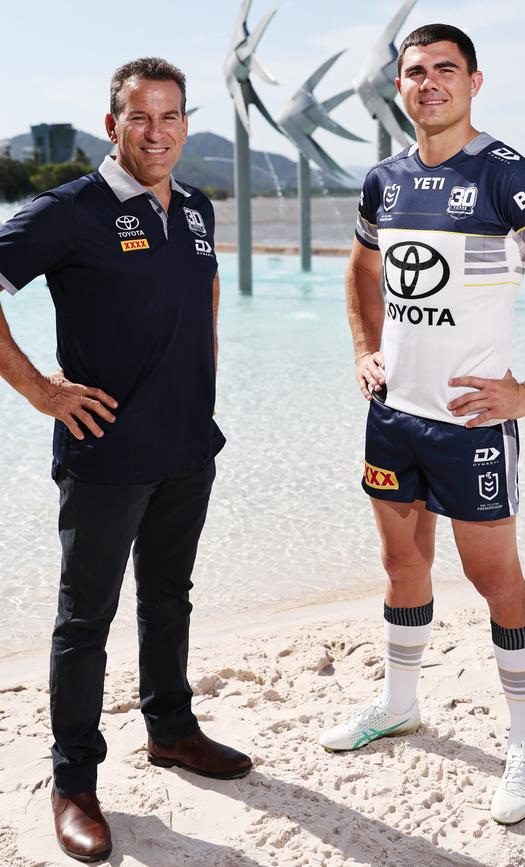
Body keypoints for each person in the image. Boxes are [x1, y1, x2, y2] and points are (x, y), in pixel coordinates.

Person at [319, 24, 525, 826]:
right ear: (400, 87)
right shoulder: (383, 178)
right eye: (414, 72)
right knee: (401, 569)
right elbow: (362, 266)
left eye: (445, 70)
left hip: (470, 427)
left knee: (495, 582)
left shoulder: (509, 178)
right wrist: (363, 346)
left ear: (474, 82)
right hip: (392, 419)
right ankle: (399, 702)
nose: (428, 83)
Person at [0, 58, 251, 862]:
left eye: (171, 115)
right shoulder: (71, 210)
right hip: (105, 455)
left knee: (169, 595)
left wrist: (203, 378)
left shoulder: (199, 207)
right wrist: (40, 388)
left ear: (184, 121)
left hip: (187, 448)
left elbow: (203, 294)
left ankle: (171, 729)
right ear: (112, 125)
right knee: (85, 620)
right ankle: (73, 780)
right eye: (140, 117)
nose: (157, 131)